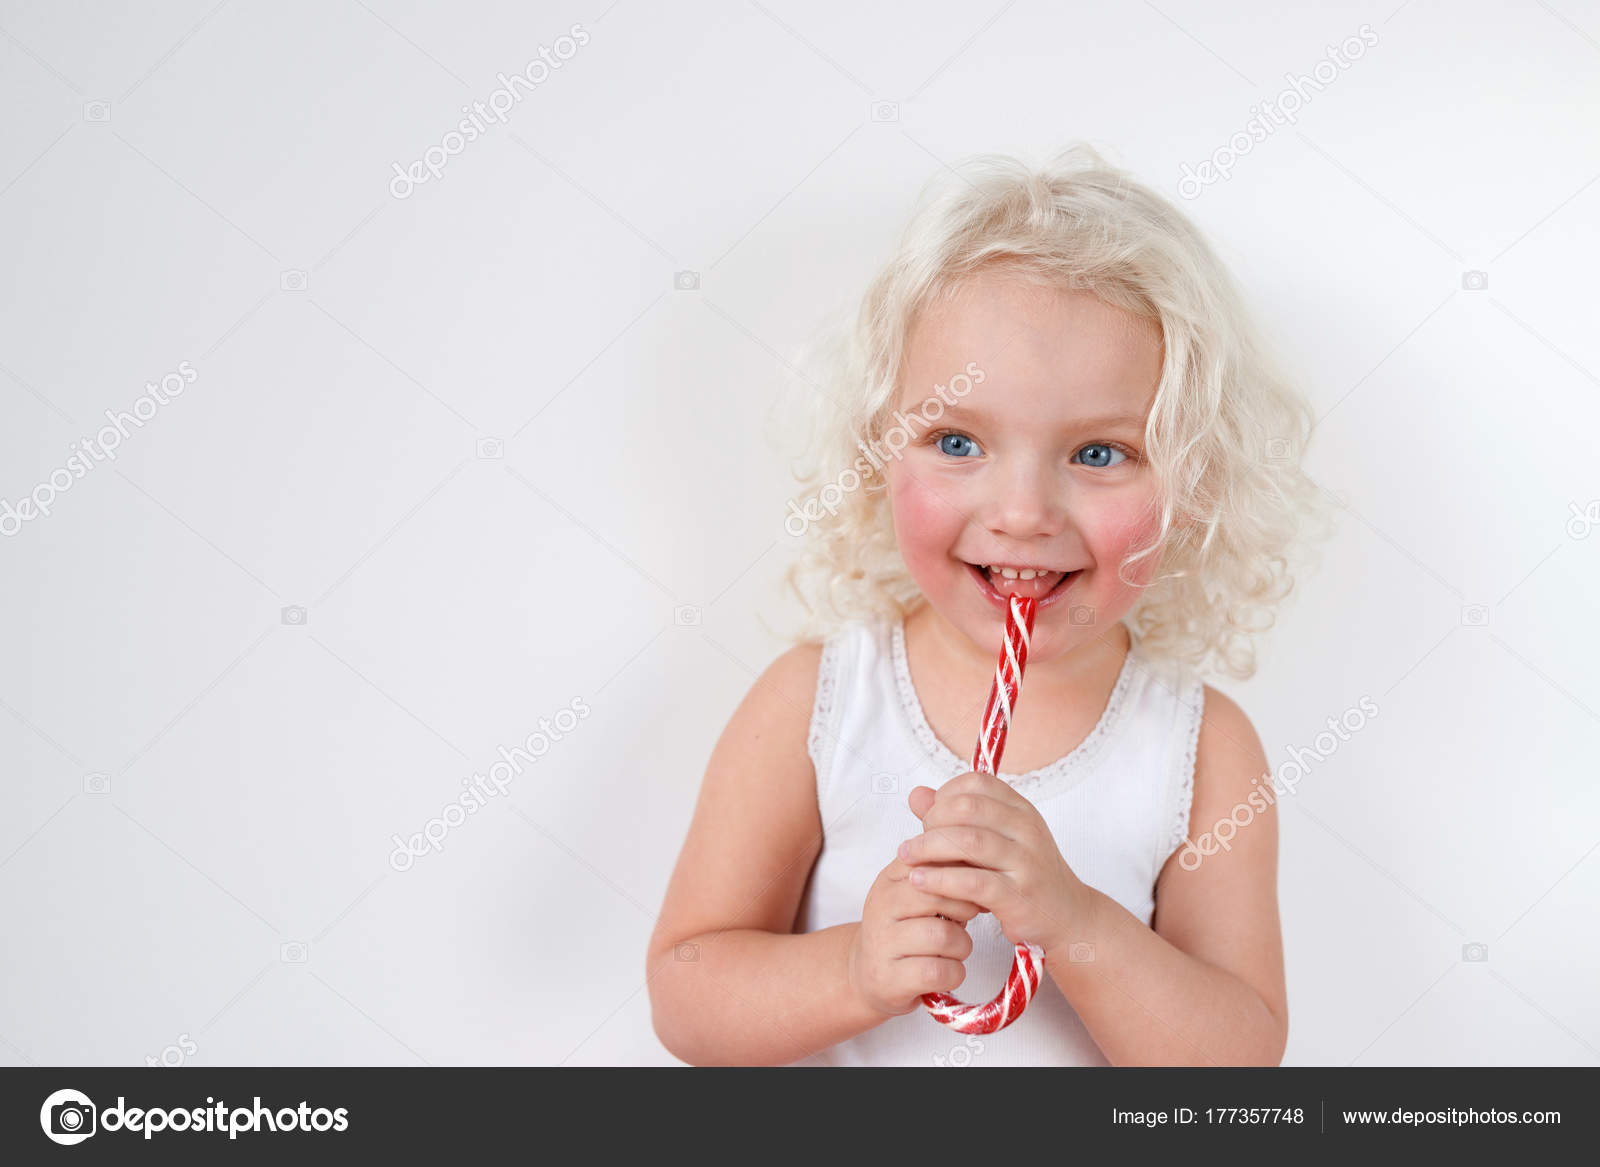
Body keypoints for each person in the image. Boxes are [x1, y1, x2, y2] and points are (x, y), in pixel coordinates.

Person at [647, 144, 1328, 1066]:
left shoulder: (1205, 751)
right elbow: (689, 994)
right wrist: (853, 971)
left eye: (1098, 453)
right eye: (958, 439)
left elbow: (1238, 1057)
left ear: (1194, 480)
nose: (1021, 515)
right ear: (878, 449)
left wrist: (1074, 919)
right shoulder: (821, 703)